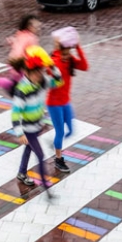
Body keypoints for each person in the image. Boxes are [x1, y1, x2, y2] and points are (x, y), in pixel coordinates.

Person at [11, 51, 63, 198]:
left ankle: (21, 173)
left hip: (37, 127)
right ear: (27, 72)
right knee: (39, 155)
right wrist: (20, 133)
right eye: (36, 73)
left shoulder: (42, 82)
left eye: (41, 72)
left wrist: (52, 66)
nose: (39, 75)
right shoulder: (22, 89)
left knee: (28, 149)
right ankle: (47, 188)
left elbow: (59, 81)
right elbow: (15, 112)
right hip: (28, 128)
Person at [46, 27, 88, 174]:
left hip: (65, 101)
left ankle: (56, 146)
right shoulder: (54, 61)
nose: (69, 51)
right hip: (54, 103)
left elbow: (84, 66)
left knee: (70, 130)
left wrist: (78, 47)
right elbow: (46, 78)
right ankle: (58, 159)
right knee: (60, 132)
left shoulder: (69, 60)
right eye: (68, 48)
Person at [0, 15, 42, 94]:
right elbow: (19, 51)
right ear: (29, 26)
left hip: (18, 66)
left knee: (18, 88)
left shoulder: (23, 34)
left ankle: (0, 82)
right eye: (37, 27)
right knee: (23, 90)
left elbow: (19, 46)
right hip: (20, 67)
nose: (38, 29)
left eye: (39, 27)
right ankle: (0, 82)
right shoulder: (29, 37)